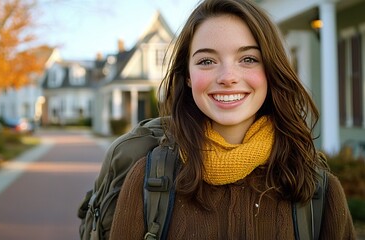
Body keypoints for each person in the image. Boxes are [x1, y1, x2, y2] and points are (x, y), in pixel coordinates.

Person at [109, 0, 356, 239]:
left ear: (271, 70)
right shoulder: (147, 181)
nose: (228, 77)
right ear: (188, 77)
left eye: (248, 59)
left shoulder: (318, 189)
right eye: (206, 61)